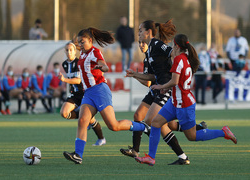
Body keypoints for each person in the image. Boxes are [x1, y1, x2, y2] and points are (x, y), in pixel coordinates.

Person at [135, 34, 237, 166]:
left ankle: (223, 132)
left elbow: (174, 81)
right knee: (155, 123)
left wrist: (161, 86)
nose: (172, 47)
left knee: (192, 136)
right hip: (174, 102)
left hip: (184, 105)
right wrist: (166, 89)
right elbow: (178, 82)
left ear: (177, 46)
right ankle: (150, 157)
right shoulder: (184, 58)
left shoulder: (179, 60)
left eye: (173, 45)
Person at [63, 27, 151, 164]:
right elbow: (78, 47)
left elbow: (104, 66)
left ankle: (144, 127)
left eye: (83, 42)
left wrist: (102, 67)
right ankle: (78, 155)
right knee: (82, 120)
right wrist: (76, 43)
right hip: (88, 93)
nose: (80, 45)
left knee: (113, 126)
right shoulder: (84, 53)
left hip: (99, 90)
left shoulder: (94, 52)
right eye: (79, 42)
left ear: (90, 41)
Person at [120, 20, 203, 165]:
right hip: (157, 88)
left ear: (148, 32)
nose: (138, 34)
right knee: (145, 117)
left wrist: (175, 75)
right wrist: (134, 74)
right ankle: (180, 155)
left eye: (140, 30)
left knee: (152, 122)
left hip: (165, 88)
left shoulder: (157, 44)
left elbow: (174, 53)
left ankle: (176, 154)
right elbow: (150, 78)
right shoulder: (149, 51)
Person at [59, 42, 106, 146]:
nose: (69, 52)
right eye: (67, 50)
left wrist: (64, 79)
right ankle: (84, 117)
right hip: (74, 94)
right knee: (64, 113)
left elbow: (78, 80)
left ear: (75, 51)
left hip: (85, 93)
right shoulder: (65, 64)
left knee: (91, 119)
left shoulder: (79, 62)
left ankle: (101, 138)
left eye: (71, 50)